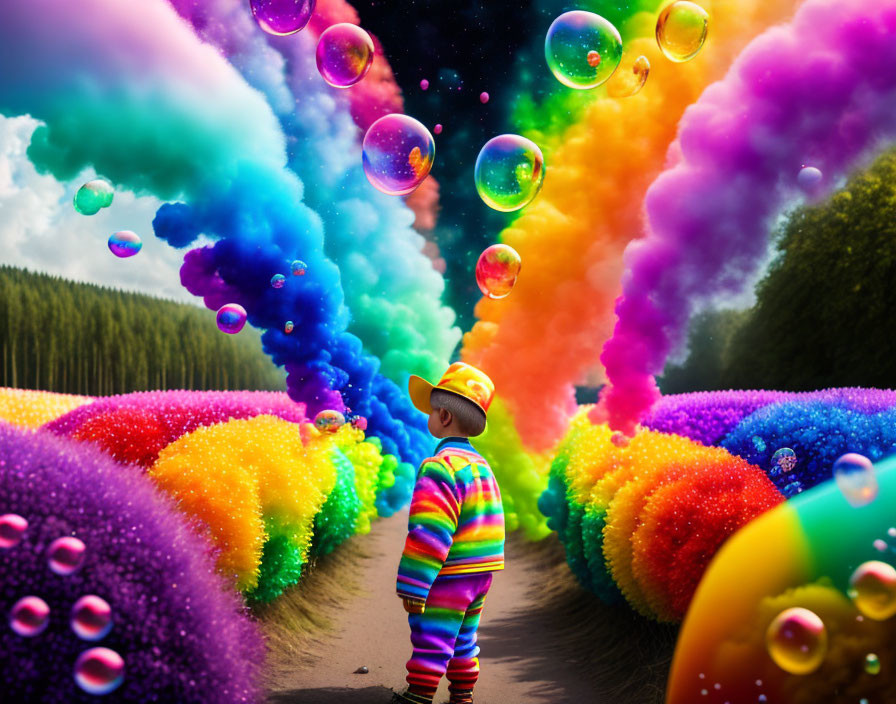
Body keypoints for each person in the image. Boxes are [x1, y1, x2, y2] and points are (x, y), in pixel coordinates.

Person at [391, 362, 505, 704]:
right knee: (464, 637)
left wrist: (414, 583)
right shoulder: (482, 467)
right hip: (481, 572)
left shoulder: (439, 467)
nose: (429, 416)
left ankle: (419, 695)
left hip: (450, 572)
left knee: (433, 635)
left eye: (432, 409)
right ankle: (462, 695)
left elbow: (430, 531)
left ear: (444, 418)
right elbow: (492, 520)